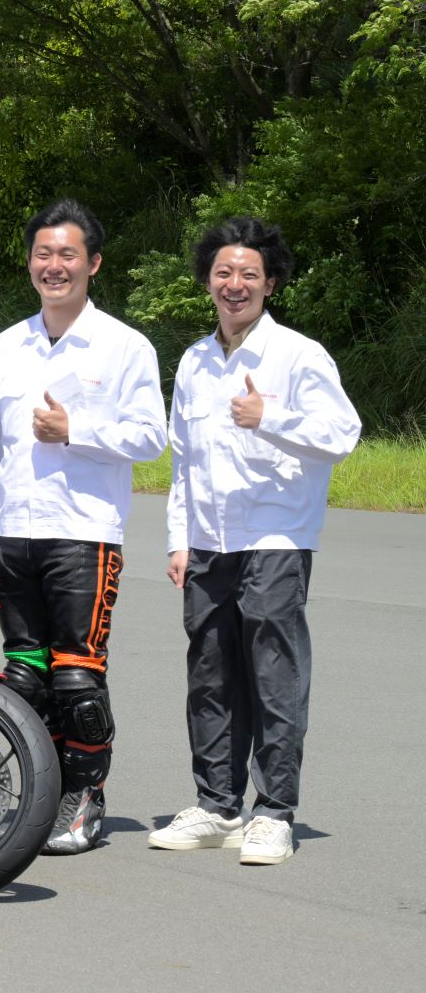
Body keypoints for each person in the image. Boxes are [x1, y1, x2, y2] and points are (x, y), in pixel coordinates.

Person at [148, 217, 360, 865]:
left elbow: (343, 433)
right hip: (209, 540)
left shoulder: (298, 355)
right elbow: (184, 461)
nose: (234, 284)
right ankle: (217, 805)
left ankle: (273, 811)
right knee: (210, 673)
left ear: (270, 283)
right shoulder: (194, 360)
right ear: (207, 280)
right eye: (223, 272)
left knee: (273, 674)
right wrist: (179, 538)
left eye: (248, 273)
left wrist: (271, 416)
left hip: (275, 535)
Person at [0, 200, 166, 854]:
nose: (54, 265)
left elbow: (151, 437)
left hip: (83, 532)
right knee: (23, 674)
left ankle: (83, 797)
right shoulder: (6, 344)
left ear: (93, 263)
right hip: (14, 531)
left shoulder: (124, 345)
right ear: (29, 261)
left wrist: (75, 429)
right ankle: (35, 796)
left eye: (67, 254)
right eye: (43, 253)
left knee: (76, 676)